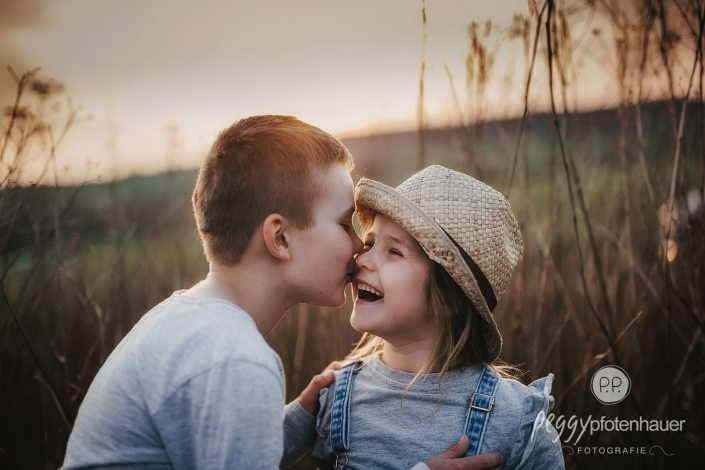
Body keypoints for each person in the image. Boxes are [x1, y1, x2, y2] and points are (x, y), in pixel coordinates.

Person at [61, 117, 503, 470]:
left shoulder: (183, 321)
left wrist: (295, 425)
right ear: (281, 239)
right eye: (345, 223)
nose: (357, 246)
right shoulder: (236, 361)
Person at [282, 165, 565, 470]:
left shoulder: (515, 421)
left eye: (394, 252)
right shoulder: (336, 398)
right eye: (370, 243)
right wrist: (296, 422)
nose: (362, 259)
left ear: (446, 300)